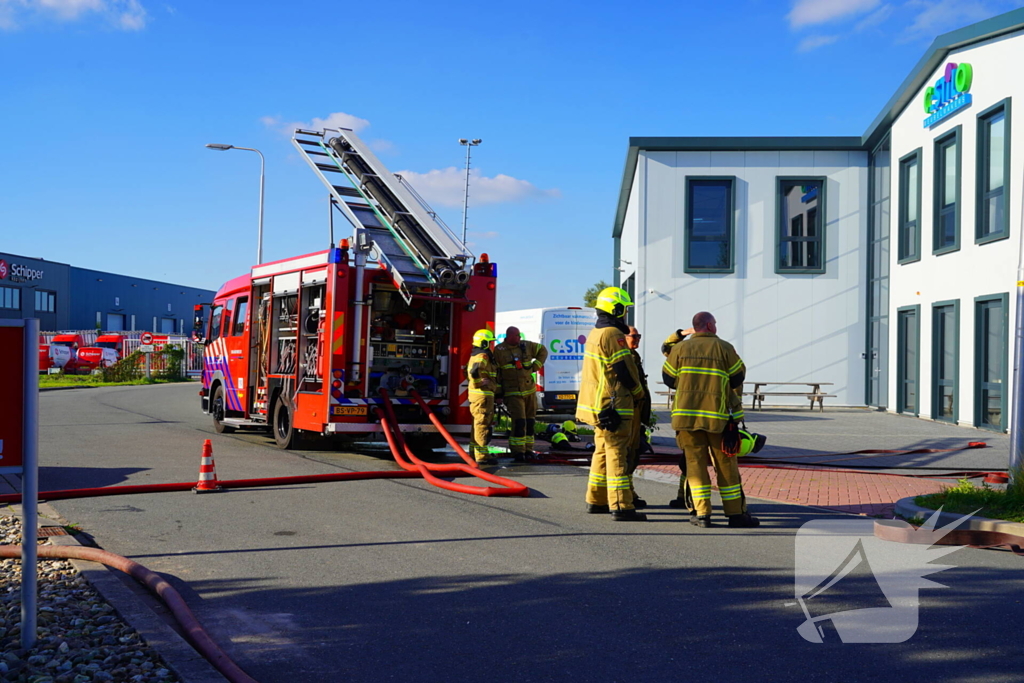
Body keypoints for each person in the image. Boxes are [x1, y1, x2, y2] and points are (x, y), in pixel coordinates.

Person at [662, 311, 759, 528]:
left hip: (686, 420)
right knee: (726, 466)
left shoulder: (679, 349)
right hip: (718, 420)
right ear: (709, 325)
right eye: (715, 323)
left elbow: (668, 379)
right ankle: (736, 514)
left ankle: (701, 514)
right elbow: (738, 377)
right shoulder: (724, 348)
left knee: (694, 466)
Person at [577, 287, 647, 522]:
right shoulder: (612, 334)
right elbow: (622, 369)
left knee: (601, 452)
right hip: (615, 405)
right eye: (624, 309)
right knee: (617, 454)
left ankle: (596, 500)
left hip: (599, 406)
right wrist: (638, 392)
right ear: (615, 309)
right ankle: (621, 506)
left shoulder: (595, 332)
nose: (625, 314)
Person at [493, 326, 548, 460]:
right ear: (509, 336)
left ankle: (528, 450)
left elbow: (543, 350)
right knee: (519, 422)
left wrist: (536, 366)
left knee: (530, 422)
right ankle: (518, 451)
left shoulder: (526, 345)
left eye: (519, 336)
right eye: (517, 336)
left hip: (529, 391)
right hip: (512, 393)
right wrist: (498, 394)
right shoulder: (499, 350)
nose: (519, 338)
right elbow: (497, 374)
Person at [624, 326, 652, 509]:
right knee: (627, 454)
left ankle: (629, 491)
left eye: (639, 336)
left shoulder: (634, 356)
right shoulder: (624, 356)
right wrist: (639, 395)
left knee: (633, 453)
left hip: (636, 412)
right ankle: (626, 494)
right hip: (629, 411)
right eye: (634, 336)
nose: (638, 339)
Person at [467, 329, 500, 465]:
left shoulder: (476, 354)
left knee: (477, 425)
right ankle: (482, 455)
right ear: (484, 343)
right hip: (483, 396)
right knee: (482, 425)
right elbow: (474, 370)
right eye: (490, 342)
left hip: (479, 396)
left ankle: (474, 452)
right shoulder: (483, 356)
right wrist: (479, 383)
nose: (492, 345)